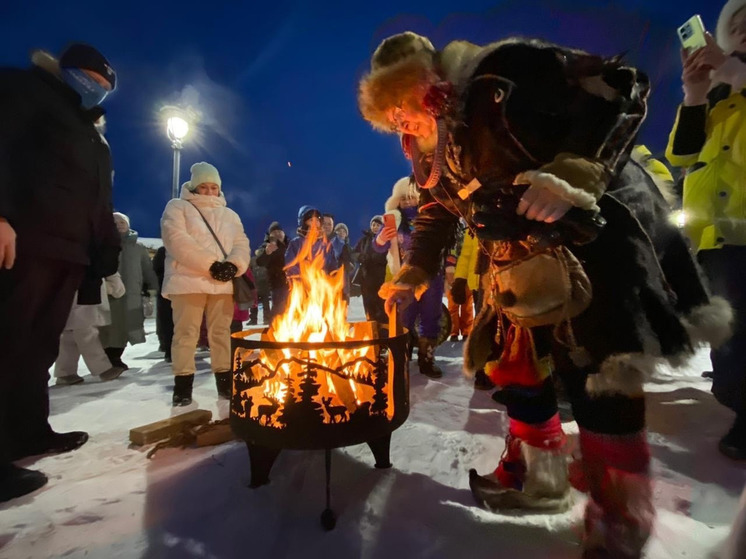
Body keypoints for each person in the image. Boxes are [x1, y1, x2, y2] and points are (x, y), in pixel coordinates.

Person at [358, 32, 731, 556]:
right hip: (519, 268)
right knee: (518, 373)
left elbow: (622, 88)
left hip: (593, 246)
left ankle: (620, 517)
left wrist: (571, 172)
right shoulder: (423, 145)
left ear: (430, 80)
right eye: (390, 113)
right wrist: (415, 271)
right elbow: (439, 209)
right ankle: (540, 480)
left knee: (600, 378)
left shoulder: (501, 77)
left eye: (404, 102)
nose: (401, 120)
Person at [0, 42, 119, 502]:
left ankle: (29, 432)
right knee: (8, 341)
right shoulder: (27, 91)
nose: (96, 91)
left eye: (105, 88)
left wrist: (103, 253)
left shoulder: (91, 131)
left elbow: (97, 199)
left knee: (38, 346)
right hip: (25, 239)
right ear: (69, 71)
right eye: (91, 80)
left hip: (68, 251)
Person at [665, 0, 746, 461]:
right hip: (715, 238)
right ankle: (738, 401)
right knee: (728, 339)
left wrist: (735, 74)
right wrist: (695, 91)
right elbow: (681, 154)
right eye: (734, 24)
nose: (742, 28)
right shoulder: (719, 92)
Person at [161, 162, 250, 406]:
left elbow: (241, 243)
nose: (210, 192)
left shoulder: (230, 215)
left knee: (221, 334)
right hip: (187, 281)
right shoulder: (178, 207)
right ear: (194, 187)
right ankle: (183, 385)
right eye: (204, 187)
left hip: (221, 284)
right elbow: (177, 240)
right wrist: (211, 264)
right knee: (186, 334)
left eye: (214, 187)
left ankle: (225, 382)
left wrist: (234, 265)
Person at [373, 176, 445, 378]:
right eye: (403, 199)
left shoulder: (431, 219)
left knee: (431, 316)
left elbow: (447, 243)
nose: (407, 202)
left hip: (431, 276)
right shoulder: (392, 221)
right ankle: (400, 356)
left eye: (411, 198)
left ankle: (427, 358)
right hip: (404, 279)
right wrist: (381, 239)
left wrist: (449, 267)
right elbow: (377, 248)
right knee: (404, 316)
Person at [99, 212, 158, 370]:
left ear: (128, 225)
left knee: (128, 326)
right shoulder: (100, 245)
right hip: (109, 294)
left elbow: (147, 269)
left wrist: (151, 288)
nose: (118, 225)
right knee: (108, 327)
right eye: (114, 222)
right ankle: (108, 358)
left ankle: (116, 357)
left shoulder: (138, 248)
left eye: (122, 222)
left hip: (132, 294)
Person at [54, 273, 127, 384]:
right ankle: (103, 368)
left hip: (68, 283)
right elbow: (106, 263)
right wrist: (115, 284)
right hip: (86, 284)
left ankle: (65, 372)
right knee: (85, 331)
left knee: (69, 333)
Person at [285, 205, 339, 278]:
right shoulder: (296, 243)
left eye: (317, 220)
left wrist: (334, 276)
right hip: (301, 285)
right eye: (311, 220)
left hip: (322, 285)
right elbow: (290, 265)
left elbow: (333, 266)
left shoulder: (326, 245)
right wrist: (306, 277)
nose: (315, 223)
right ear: (304, 223)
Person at [353, 215, 388, 324]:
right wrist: (360, 257)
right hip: (366, 277)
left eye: (378, 225)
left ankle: (383, 328)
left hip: (380, 277)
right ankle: (371, 325)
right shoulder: (364, 240)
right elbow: (354, 252)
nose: (375, 227)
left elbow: (389, 256)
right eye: (373, 224)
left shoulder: (386, 239)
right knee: (368, 303)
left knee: (381, 304)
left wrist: (377, 259)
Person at [255, 221, 289, 321]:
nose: (278, 233)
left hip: (294, 283)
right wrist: (267, 252)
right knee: (278, 311)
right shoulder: (267, 246)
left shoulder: (290, 244)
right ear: (270, 235)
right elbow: (260, 261)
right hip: (277, 284)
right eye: (274, 232)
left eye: (279, 231)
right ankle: (274, 332)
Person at [444, 254, 473, 342]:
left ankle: (466, 332)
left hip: (467, 271)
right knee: (453, 306)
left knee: (467, 305)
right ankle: (453, 332)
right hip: (452, 267)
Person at [152, 246, 174, 362]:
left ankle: (171, 350)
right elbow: (156, 270)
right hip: (166, 291)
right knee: (167, 322)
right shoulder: (163, 251)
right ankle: (169, 350)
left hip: (174, 291)